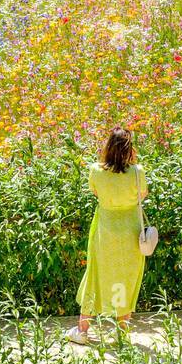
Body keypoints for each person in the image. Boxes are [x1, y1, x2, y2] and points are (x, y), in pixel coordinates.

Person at [67, 126, 148, 345]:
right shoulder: (137, 172)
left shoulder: (96, 170)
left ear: (108, 147)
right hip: (131, 233)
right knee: (125, 279)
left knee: (95, 277)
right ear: (129, 149)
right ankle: (121, 334)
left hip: (105, 231)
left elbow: (95, 192)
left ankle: (82, 331)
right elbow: (143, 194)